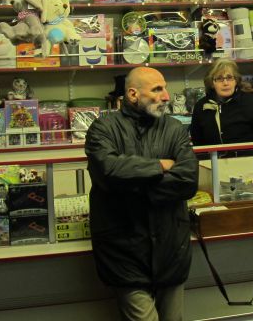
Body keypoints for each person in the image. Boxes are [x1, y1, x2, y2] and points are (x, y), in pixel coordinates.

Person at [85, 67, 198, 321]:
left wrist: (132, 185)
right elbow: (109, 171)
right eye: (157, 89)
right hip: (123, 251)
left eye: (165, 88)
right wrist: (160, 165)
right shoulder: (103, 129)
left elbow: (188, 180)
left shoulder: (174, 129)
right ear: (133, 94)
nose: (166, 96)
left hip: (171, 249)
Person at [190, 58, 253, 148]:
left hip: (248, 156)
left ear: (236, 80)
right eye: (219, 78)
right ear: (211, 83)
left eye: (229, 78)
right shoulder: (200, 107)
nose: (225, 83)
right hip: (213, 157)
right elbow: (197, 142)